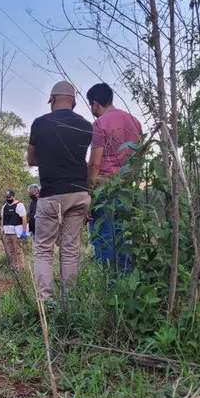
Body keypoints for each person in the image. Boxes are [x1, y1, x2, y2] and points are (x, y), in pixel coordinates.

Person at [27, 81, 93, 301]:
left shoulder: (40, 123)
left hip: (52, 194)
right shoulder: (85, 125)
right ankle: (70, 302)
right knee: (70, 250)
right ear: (73, 103)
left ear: (52, 100)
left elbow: (31, 159)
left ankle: (45, 303)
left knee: (44, 250)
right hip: (80, 193)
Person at [86, 82, 142, 271]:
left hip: (105, 190)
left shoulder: (99, 124)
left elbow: (94, 163)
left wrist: (90, 195)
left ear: (95, 103)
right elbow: (138, 159)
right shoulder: (135, 122)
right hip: (127, 189)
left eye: (91, 106)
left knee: (104, 237)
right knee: (123, 236)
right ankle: (125, 281)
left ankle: (109, 284)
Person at [0, 189, 28, 272]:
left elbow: (24, 218)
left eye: (9, 197)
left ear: (13, 196)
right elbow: (2, 219)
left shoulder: (19, 205)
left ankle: (21, 268)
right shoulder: (4, 207)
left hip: (16, 233)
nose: (8, 199)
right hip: (7, 232)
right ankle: (13, 267)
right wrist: (2, 229)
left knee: (18, 250)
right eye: (6, 197)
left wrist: (24, 231)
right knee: (11, 251)